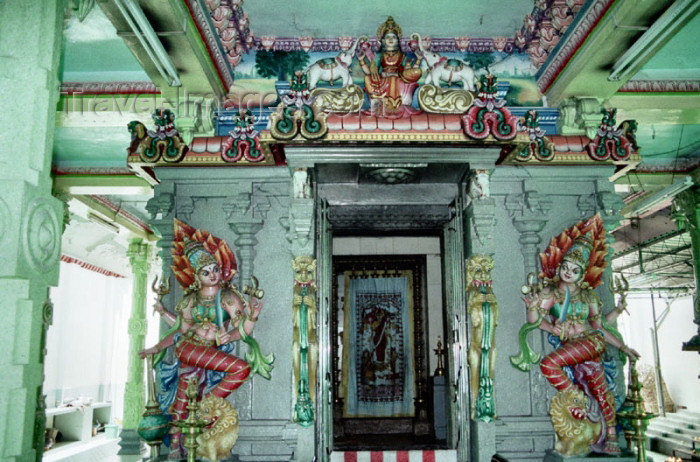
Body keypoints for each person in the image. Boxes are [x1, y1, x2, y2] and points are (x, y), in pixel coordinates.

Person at [513, 215, 639, 455]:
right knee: (597, 384)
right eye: (565, 267)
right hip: (573, 348)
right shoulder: (551, 293)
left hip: (591, 341)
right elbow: (534, 321)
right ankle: (599, 420)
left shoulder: (588, 296)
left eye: (574, 270)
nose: (568, 272)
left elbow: (600, 326)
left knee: (554, 366)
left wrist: (623, 347)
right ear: (559, 268)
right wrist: (536, 312)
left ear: (582, 275)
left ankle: (598, 418)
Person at [139, 220, 264, 459]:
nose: (213, 275)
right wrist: (155, 346)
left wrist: (252, 317)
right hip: (187, 347)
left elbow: (243, 330)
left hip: (206, 354)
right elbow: (179, 330)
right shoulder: (190, 299)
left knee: (188, 393)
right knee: (234, 370)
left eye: (215, 269)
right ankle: (197, 416)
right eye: (206, 272)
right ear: (196, 277)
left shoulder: (228, 297)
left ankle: (180, 441)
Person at [358, 16, 422, 117]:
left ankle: (396, 103)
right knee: (367, 78)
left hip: (399, 77)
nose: (391, 39)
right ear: (382, 41)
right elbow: (370, 73)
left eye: (393, 37)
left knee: (416, 72)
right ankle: (379, 103)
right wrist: (361, 60)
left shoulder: (403, 55)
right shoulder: (380, 55)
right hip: (382, 80)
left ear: (398, 40)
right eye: (388, 37)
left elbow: (407, 71)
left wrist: (418, 59)